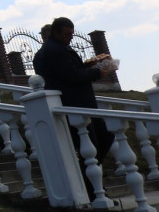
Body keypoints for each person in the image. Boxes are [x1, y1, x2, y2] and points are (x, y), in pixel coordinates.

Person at [33, 16, 116, 187]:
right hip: (75, 105)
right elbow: (71, 76)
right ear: (55, 33)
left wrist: (88, 68)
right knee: (91, 147)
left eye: (72, 33)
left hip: (80, 105)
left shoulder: (59, 48)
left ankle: (86, 183)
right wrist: (97, 73)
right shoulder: (54, 51)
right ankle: (89, 188)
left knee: (104, 137)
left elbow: (69, 72)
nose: (71, 37)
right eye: (67, 34)